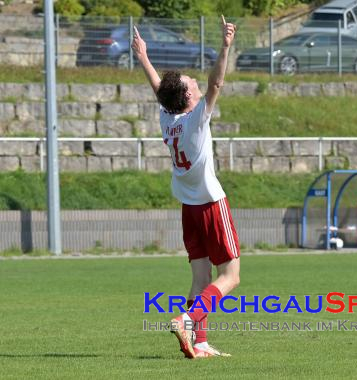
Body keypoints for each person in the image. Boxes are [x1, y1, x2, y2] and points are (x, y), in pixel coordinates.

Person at [131, 16, 239, 359]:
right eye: (191, 80)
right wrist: (225, 45)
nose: (194, 79)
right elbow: (217, 82)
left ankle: (201, 341)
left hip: (188, 209)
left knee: (199, 277)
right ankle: (188, 319)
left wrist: (143, 57)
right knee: (231, 276)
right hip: (210, 204)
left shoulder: (168, 118)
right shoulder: (194, 119)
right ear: (190, 95)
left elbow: (159, 88)